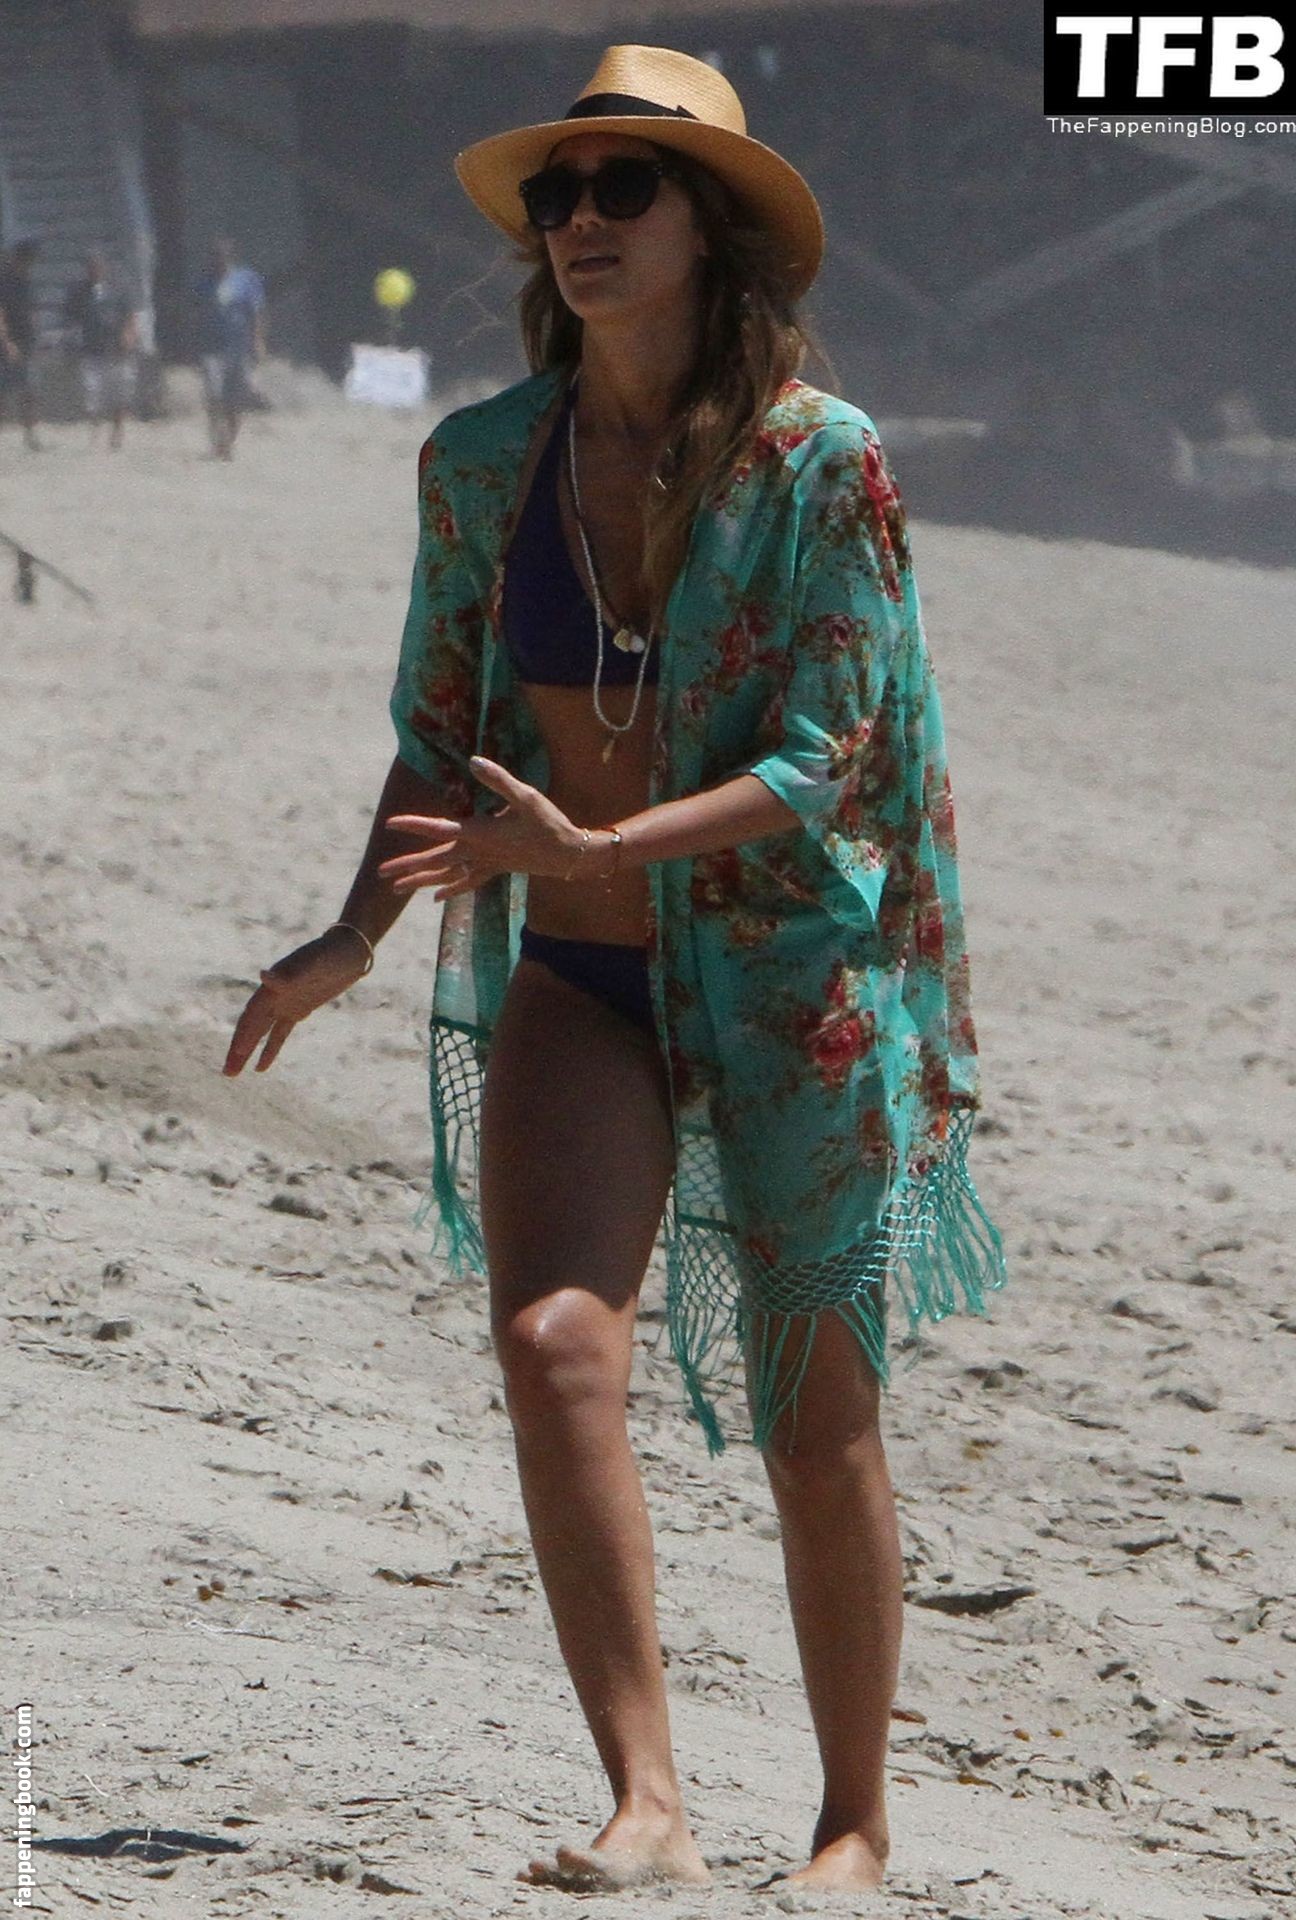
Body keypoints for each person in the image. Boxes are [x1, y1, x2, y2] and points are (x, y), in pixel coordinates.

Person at [224, 45, 1007, 1897]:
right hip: (578, 978)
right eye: (555, 195)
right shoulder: (481, 463)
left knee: (815, 1422)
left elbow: (828, 753)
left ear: (708, 228)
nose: (578, 220)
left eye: (621, 188)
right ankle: (646, 1803)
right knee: (553, 1347)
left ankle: (850, 1821)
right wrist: (352, 934)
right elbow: (439, 731)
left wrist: (598, 845)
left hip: (788, 986)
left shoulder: (819, 462)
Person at [193, 235, 265, 459]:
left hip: (238, 347)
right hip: (211, 348)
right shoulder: (203, 283)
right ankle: (219, 438)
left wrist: (258, 340)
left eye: (222, 256)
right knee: (214, 395)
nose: (218, 261)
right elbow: (196, 314)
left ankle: (228, 441)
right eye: (215, 257)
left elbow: (256, 312)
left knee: (235, 400)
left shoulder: (246, 280)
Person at [63, 248, 138, 449]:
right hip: (92, 349)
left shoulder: (118, 289)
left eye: (98, 266)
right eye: (91, 267)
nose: (95, 270)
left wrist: (129, 336)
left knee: (118, 393)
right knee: (92, 392)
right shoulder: (79, 292)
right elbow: (70, 318)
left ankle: (117, 432)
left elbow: (130, 314)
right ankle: (95, 429)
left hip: (116, 349)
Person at [0, 238, 41, 451]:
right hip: (9, 343)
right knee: (3, 390)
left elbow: (31, 310)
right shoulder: (5, 282)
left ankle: (30, 434)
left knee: (29, 389)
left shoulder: (27, 282)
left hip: (27, 342)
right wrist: (7, 342)